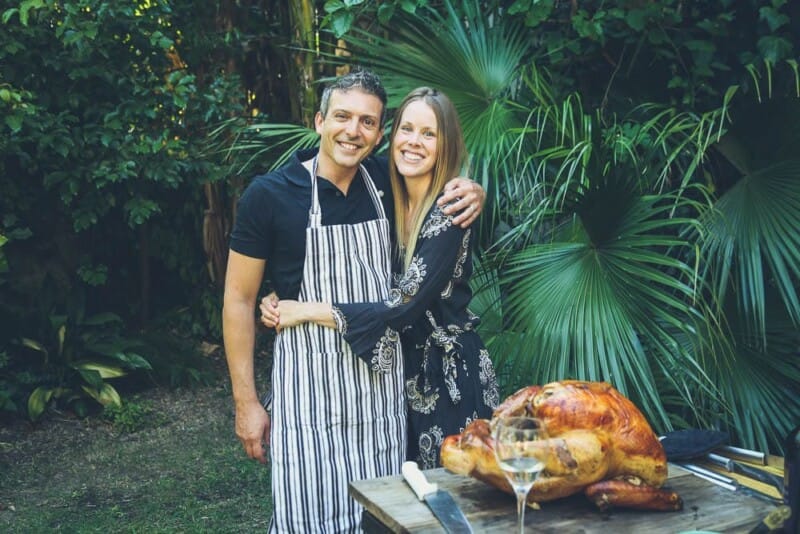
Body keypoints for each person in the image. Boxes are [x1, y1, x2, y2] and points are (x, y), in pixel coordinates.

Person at [222, 70, 485, 533]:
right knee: (308, 516)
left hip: (383, 392)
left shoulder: (386, 179)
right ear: (319, 121)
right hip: (309, 390)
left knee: (385, 515)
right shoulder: (269, 195)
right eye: (342, 116)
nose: (353, 131)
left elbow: (436, 178)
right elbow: (239, 301)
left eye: (368, 122)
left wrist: (472, 188)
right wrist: (246, 403)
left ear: (379, 135)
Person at [260, 87, 500, 471]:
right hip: (398, 376)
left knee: (452, 494)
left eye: (429, 134)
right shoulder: (385, 195)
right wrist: (284, 290)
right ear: (391, 136)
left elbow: (401, 305)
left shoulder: (448, 212)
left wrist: (303, 310)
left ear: (446, 146)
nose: (414, 142)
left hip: (448, 377)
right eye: (407, 129)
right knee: (404, 492)